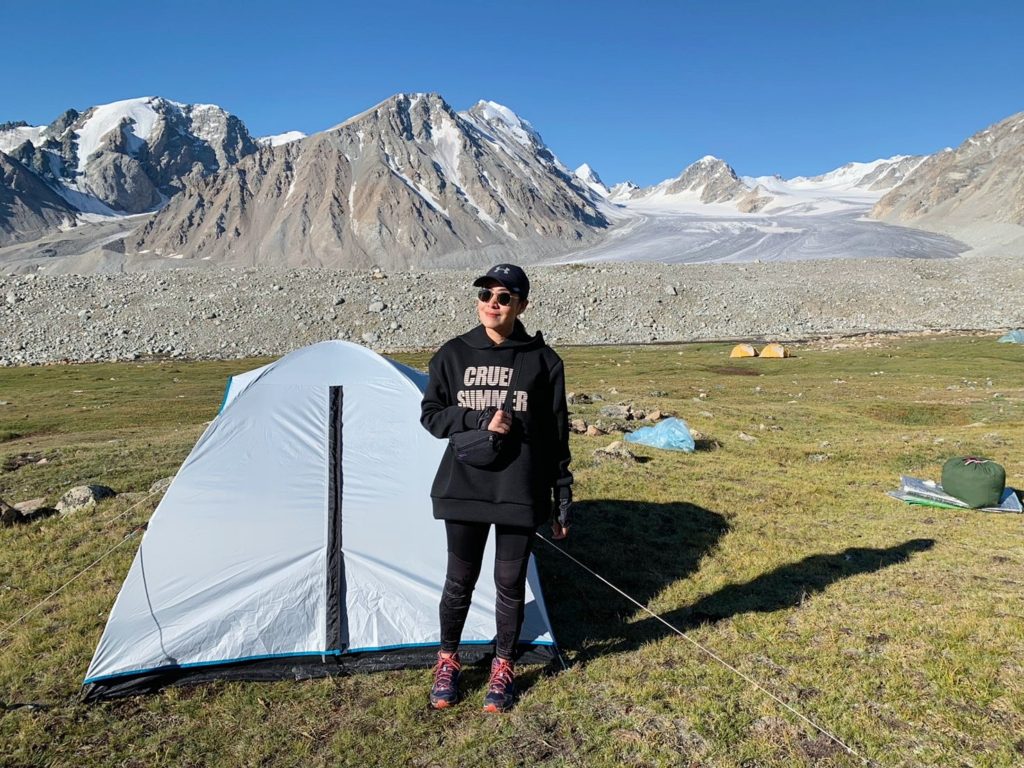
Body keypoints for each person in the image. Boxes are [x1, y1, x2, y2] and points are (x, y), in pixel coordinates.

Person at [420, 263, 573, 713]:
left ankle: (503, 665)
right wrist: (476, 418)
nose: (493, 303)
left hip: (519, 490)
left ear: (522, 305)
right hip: (463, 486)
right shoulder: (452, 354)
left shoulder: (544, 362)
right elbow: (431, 416)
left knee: (509, 584)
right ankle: (447, 659)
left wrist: (562, 498)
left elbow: (556, 437)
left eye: (505, 297)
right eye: (486, 294)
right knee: (459, 581)